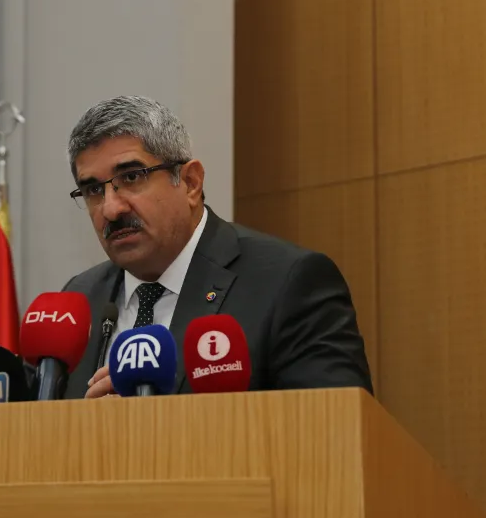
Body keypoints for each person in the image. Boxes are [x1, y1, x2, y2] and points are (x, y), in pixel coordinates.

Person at [59, 95, 372, 399]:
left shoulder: (288, 283)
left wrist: (154, 422)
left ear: (190, 183)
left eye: (131, 177)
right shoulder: (78, 301)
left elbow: (335, 425)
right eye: (93, 190)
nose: (111, 209)